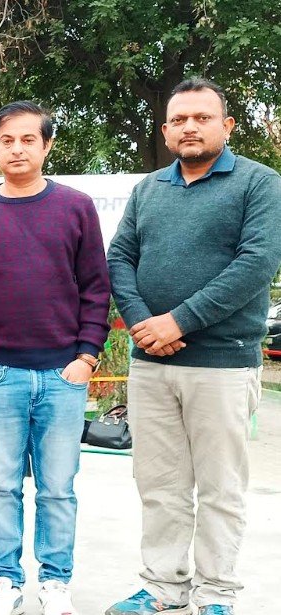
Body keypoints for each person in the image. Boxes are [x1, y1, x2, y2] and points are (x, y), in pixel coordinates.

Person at [105, 78, 281, 615]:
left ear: (226, 126)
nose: (190, 127)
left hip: (222, 364)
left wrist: (178, 321)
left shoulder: (259, 183)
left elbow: (256, 264)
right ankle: (163, 585)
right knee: (160, 485)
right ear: (165, 131)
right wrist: (144, 324)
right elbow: (119, 258)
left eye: (202, 118)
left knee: (221, 488)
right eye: (179, 119)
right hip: (151, 364)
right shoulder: (149, 190)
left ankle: (216, 594)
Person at [0, 100, 110, 615]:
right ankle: (6, 581)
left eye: (28, 140)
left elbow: (96, 288)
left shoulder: (76, 208)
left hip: (63, 373)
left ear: (47, 145)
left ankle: (56, 582)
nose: (17, 149)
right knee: (1, 485)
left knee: (58, 488)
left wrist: (87, 355)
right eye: (7, 141)